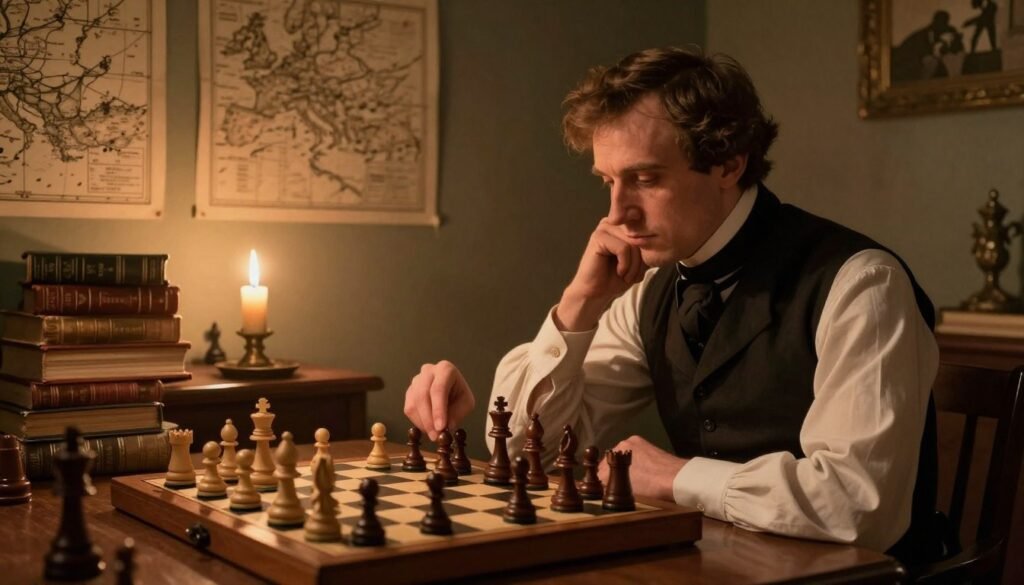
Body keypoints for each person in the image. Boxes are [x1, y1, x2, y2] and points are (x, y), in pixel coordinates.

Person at [403, 46, 942, 565]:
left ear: (729, 164)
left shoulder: (862, 285)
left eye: (645, 179)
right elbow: (533, 455)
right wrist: (578, 305)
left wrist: (675, 477)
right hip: (713, 564)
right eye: (608, 182)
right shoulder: (648, 287)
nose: (618, 215)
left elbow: (858, 506)